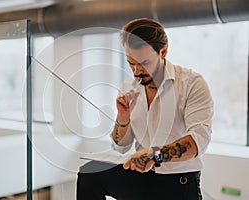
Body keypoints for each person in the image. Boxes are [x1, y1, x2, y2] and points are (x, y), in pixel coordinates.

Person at [76, 18, 213, 200]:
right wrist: (122, 118)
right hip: (141, 178)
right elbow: (121, 147)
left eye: (144, 63)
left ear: (163, 52)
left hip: (179, 182)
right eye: (131, 62)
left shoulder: (192, 84)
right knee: (89, 173)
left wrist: (154, 155)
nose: (136, 71)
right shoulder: (128, 86)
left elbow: (199, 141)